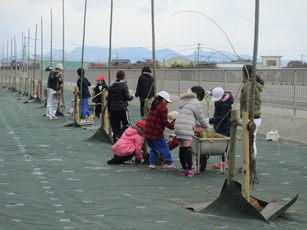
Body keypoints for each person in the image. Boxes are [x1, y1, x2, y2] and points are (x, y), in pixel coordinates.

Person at [175, 86, 211, 177]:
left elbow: (191, 118)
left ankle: (184, 169)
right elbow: (200, 118)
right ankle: (190, 170)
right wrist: (206, 127)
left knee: (182, 148)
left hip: (178, 125)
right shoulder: (196, 102)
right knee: (187, 149)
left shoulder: (185, 101)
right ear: (199, 96)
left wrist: (200, 125)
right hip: (186, 127)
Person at [143, 91, 175, 171]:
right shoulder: (163, 108)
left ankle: (152, 165)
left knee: (153, 149)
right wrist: (173, 126)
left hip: (147, 132)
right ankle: (169, 165)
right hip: (156, 133)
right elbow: (164, 122)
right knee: (165, 148)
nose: (167, 103)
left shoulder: (154, 105)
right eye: (167, 101)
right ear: (164, 100)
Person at [207, 87, 234, 169]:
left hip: (225, 127)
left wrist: (210, 120)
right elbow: (214, 90)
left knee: (226, 145)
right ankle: (222, 161)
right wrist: (209, 91)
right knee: (220, 145)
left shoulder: (226, 105)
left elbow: (222, 118)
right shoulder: (220, 98)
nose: (216, 100)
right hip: (218, 126)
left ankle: (228, 162)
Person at [241, 64, 263, 160]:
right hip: (257, 117)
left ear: (245, 73)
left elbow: (247, 103)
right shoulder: (254, 84)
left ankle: (250, 164)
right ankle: (251, 164)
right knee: (252, 141)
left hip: (250, 117)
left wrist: (244, 117)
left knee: (250, 142)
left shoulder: (248, 86)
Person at [108, 70, 134, 143]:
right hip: (122, 108)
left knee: (115, 126)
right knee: (127, 124)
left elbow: (108, 98)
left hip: (113, 108)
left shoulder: (111, 86)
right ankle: (119, 136)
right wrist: (132, 97)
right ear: (124, 77)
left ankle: (116, 142)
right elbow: (127, 97)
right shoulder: (124, 85)